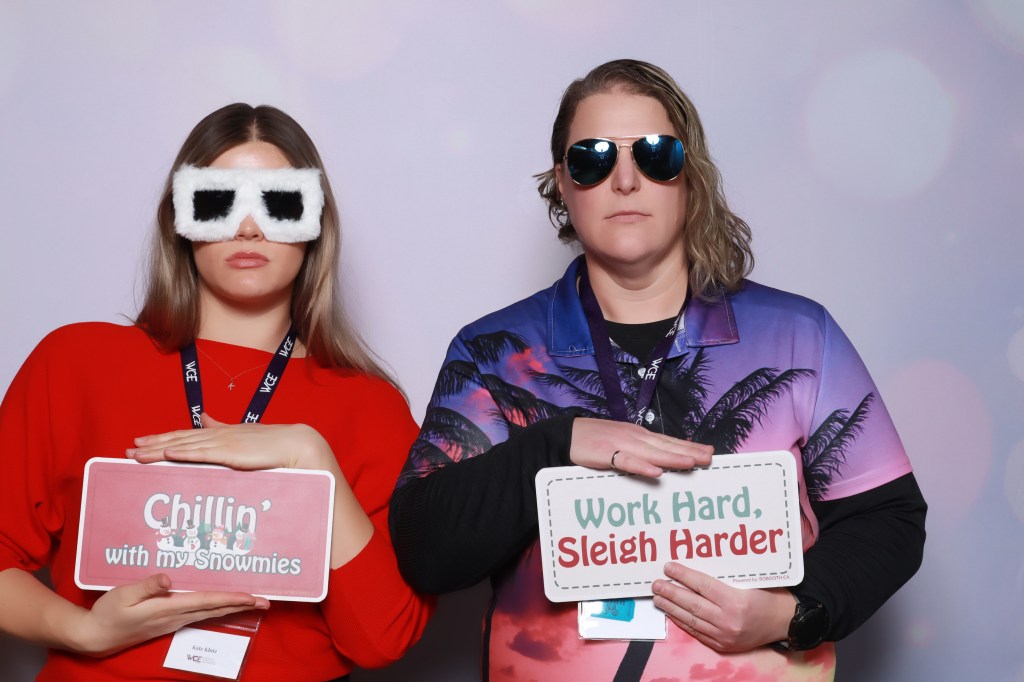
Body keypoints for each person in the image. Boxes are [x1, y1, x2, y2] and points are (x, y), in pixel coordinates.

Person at [389, 59, 926, 681]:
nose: (625, 180)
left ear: (689, 176)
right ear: (562, 183)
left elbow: (889, 520)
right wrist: (552, 448)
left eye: (654, 155)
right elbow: (424, 550)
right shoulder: (494, 352)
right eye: (592, 158)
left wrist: (791, 615)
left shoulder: (799, 337)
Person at [0, 103, 433, 681]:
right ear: (179, 220)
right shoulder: (76, 363)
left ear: (315, 224)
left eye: (279, 202)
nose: (247, 227)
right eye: (216, 200)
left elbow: (383, 639)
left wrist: (311, 457)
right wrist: (84, 631)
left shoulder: (370, 407)